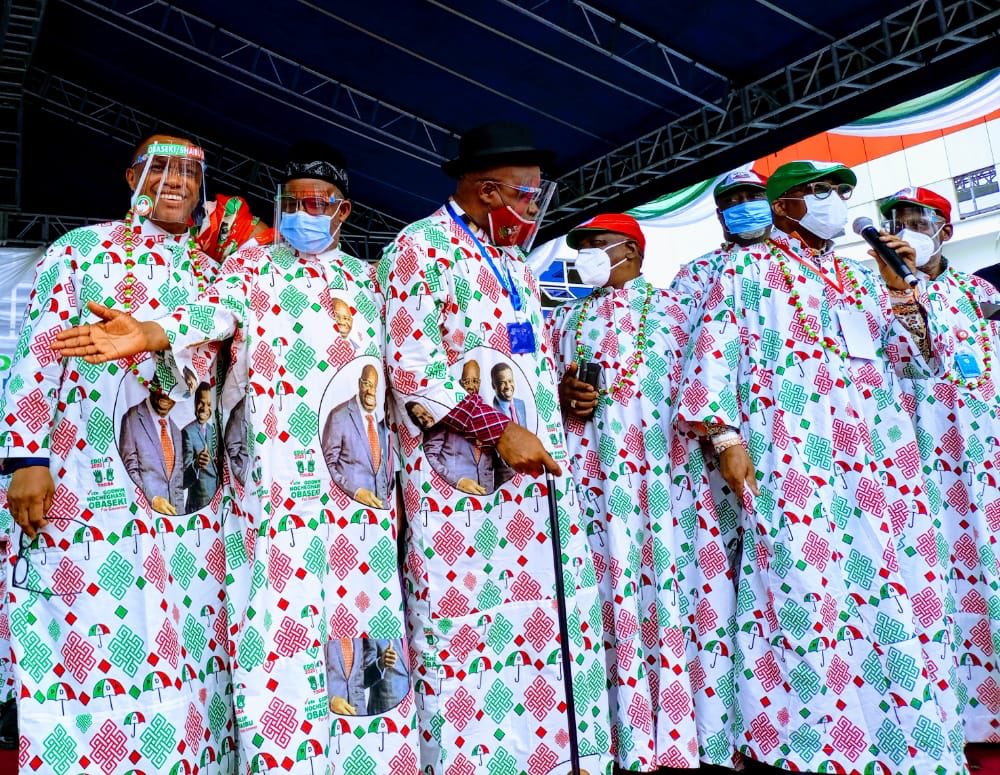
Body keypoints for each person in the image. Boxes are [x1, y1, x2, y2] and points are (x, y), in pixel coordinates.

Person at [53, 141, 417, 770]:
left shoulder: (371, 283)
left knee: (365, 630)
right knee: (280, 639)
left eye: (320, 203)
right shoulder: (249, 271)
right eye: (295, 202)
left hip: (361, 507)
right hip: (270, 501)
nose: (306, 213)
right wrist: (150, 332)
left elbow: (399, 383)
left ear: (344, 211)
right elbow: (206, 313)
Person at [675, 160, 965, 774]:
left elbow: (921, 360)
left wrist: (897, 287)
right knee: (803, 589)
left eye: (839, 190)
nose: (834, 199)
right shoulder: (744, 270)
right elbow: (712, 355)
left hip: (877, 461)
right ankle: (815, 744)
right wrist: (726, 437)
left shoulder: (861, 276)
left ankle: (905, 737)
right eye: (818, 190)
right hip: (791, 456)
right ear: (783, 206)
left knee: (896, 591)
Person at [377, 121, 611, 773]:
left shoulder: (515, 262)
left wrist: (560, 394)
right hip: (463, 501)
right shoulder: (417, 248)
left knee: (546, 639)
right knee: (468, 641)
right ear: (487, 189)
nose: (536, 208)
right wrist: (499, 427)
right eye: (528, 195)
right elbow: (412, 368)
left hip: (535, 499)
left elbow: (526, 358)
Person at [0, 134, 233, 773]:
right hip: (84, 480)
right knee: (90, 638)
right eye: (160, 169)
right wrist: (25, 459)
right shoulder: (82, 251)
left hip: (186, 498)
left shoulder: (212, 274)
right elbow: (39, 352)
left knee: (187, 646)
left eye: (190, 172)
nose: (176, 182)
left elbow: (213, 358)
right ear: (131, 176)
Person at [547, 213, 736, 773]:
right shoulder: (564, 321)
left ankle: (687, 738)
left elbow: (711, 390)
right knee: (604, 604)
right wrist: (563, 394)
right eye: (578, 247)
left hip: (666, 490)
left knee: (677, 602)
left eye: (593, 245)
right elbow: (541, 394)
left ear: (629, 248)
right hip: (594, 489)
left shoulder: (680, 314)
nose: (582, 256)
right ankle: (614, 740)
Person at [880, 186, 1000, 742]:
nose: (904, 228)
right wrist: (897, 288)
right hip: (919, 465)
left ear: (944, 231)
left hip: (985, 459)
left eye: (915, 220)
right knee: (937, 587)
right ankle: (957, 722)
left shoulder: (979, 293)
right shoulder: (872, 295)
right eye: (896, 220)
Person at [670, 169, 771, 304]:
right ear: (720, 215)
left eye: (755, 197)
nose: (745, 206)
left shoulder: (797, 257)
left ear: (773, 205)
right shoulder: (697, 272)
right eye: (732, 201)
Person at [321, 364, 390, 508]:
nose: (371, 391)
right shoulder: (338, 416)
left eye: (375, 387)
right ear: (359, 383)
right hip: (348, 509)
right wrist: (356, 492)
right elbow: (326, 466)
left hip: (380, 512)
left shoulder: (381, 419)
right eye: (367, 384)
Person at [119, 378, 185, 514]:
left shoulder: (176, 432)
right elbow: (128, 471)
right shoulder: (131, 418)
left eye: (173, 392)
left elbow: (177, 484)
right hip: (145, 516)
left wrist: (181, 518)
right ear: (151, 388)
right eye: (162, 388)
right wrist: (153, 500)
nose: (166, 395)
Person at [181, 382, 220, 512]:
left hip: (218, 504)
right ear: (195, 403)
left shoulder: (213, 430)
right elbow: (182, 479)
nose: (205, 408)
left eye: (209, 404)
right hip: (198, 507)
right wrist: (196, 464)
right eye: (201, 403)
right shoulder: (187, 433)